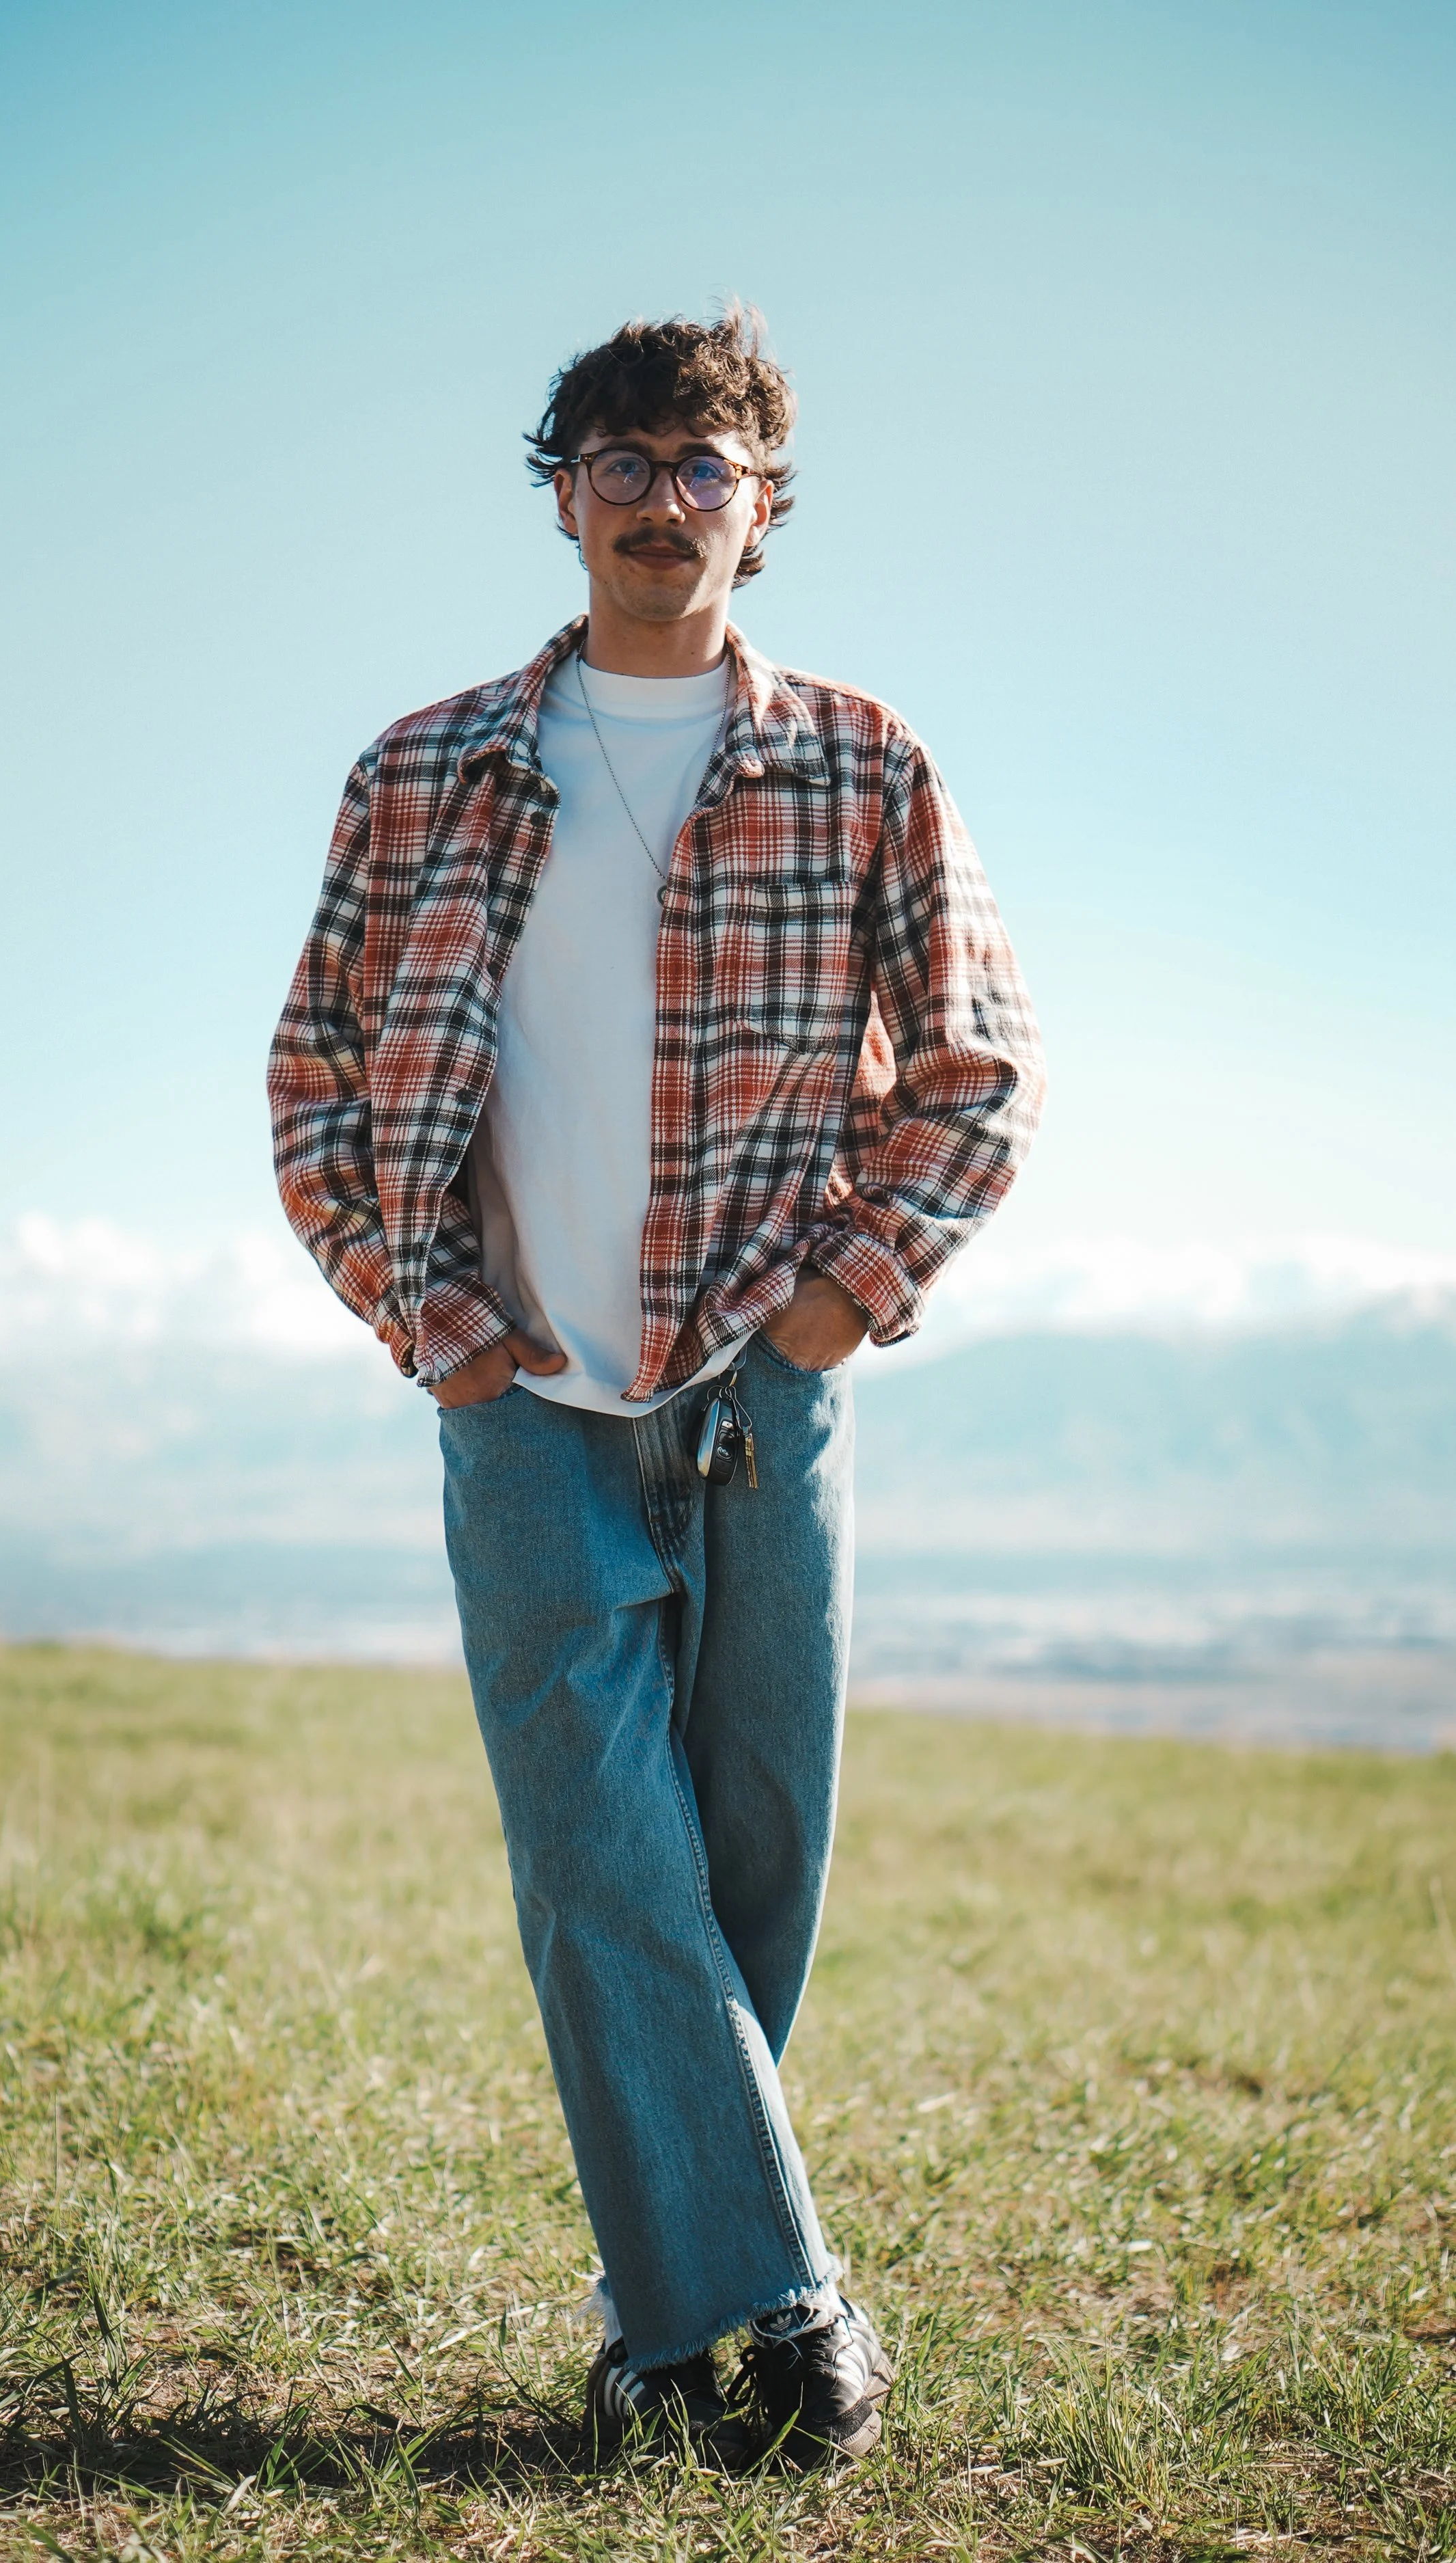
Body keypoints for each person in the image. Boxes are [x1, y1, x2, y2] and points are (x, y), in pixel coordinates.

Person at [269, 307, 1043, 2469]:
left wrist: (837, 1298)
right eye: (616, 455)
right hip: (514, 1399)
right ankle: (785, 2308)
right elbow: (314, 1082)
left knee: (752, 1844)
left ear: (760, 506)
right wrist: (421, 1315)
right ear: (560, 491)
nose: (655, 492)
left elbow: (981, 1069)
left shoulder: (865, 762)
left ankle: (656, 2310)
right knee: (604, 1855)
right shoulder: (420, 770)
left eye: (701, 460)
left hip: (757, 1384)